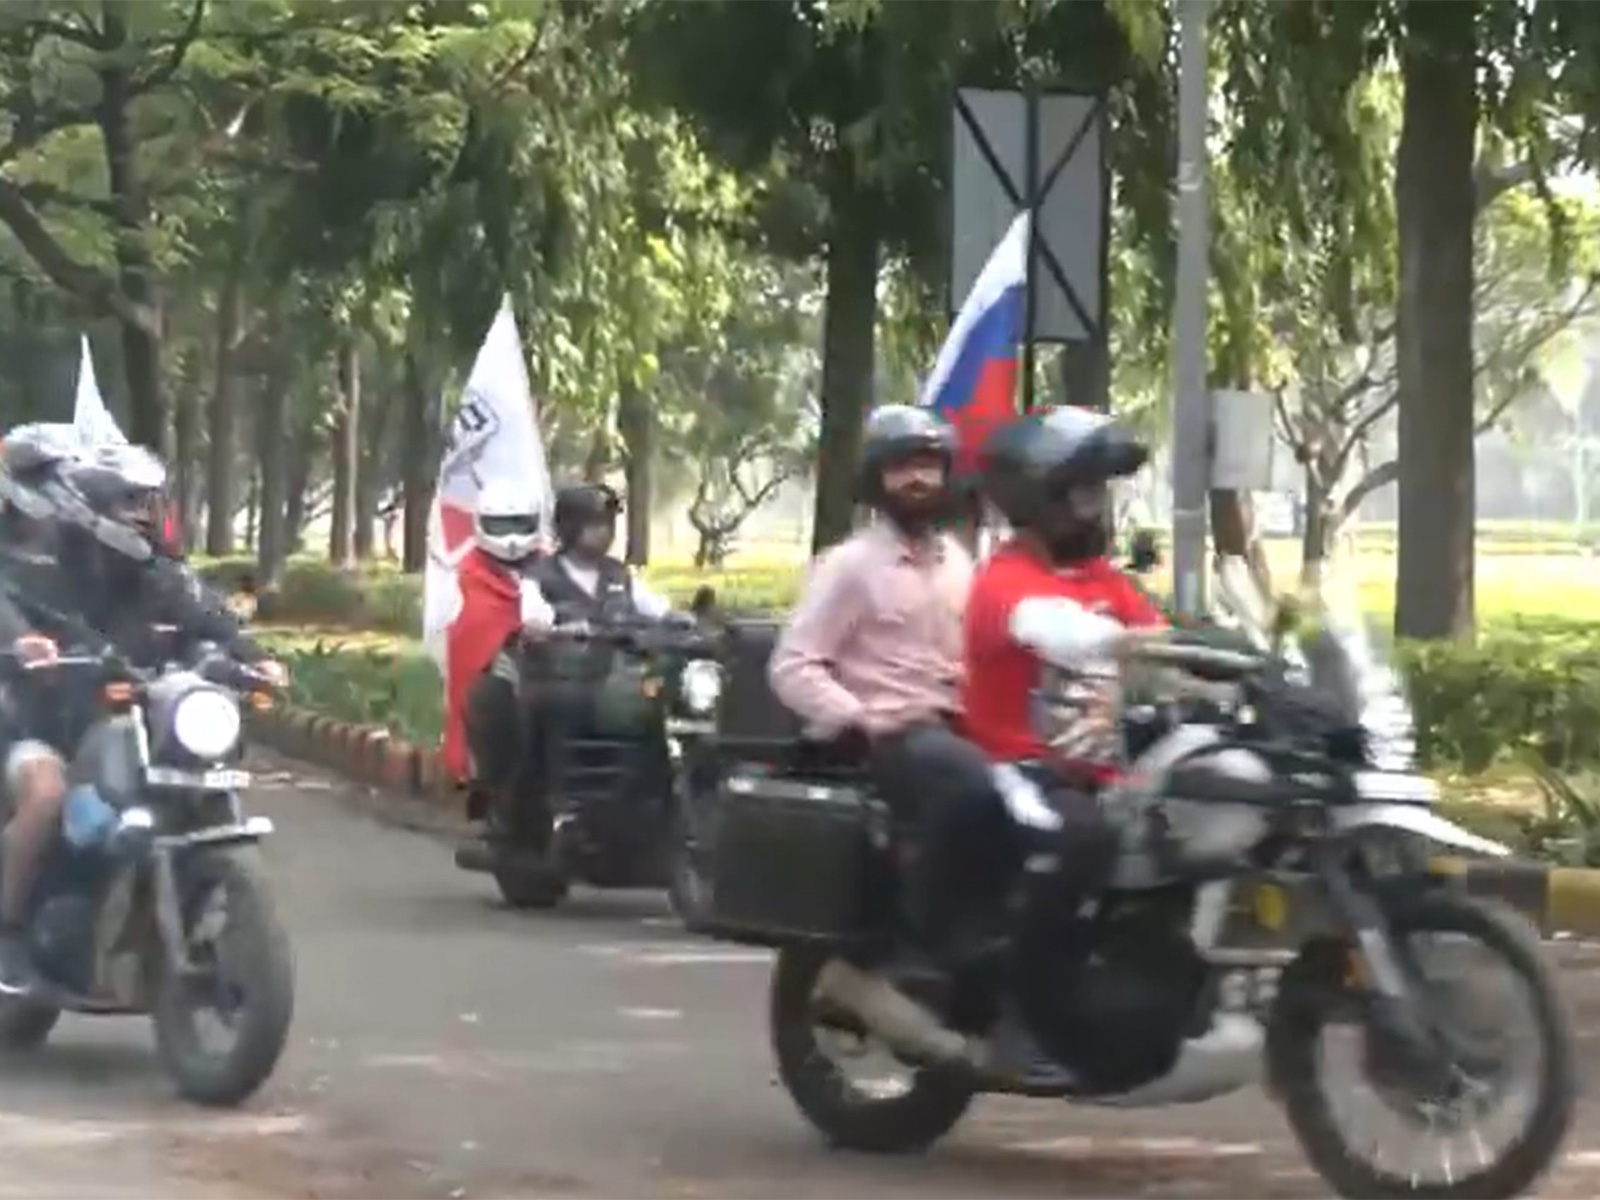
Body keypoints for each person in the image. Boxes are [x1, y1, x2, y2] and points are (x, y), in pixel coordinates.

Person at [962, 405, 1168, 1068]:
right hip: (1017, 767)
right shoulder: (1006, 581)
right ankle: (1024, 1010)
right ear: (1038, 498)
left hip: (1106, 769)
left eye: (1098, 493)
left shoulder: (1105, 581)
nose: (1094, 508)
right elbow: (1059, 632)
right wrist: (1135, 645)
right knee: (1083, 838)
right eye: (1081, 493)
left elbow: (1165, 644)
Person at [443, 480, 554, 826]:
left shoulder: (557, 567)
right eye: (501, 526)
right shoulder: (463, 574)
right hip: (503, 675)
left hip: (562, 667)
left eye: (520, 525)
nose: (511, 537)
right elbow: (460, 633)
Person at [533, 484, 672, 623]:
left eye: (609, 523)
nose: (605, 531)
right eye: (595, 524)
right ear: (569, 526)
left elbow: (657, 612)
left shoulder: (618, 574)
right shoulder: (539, 578)